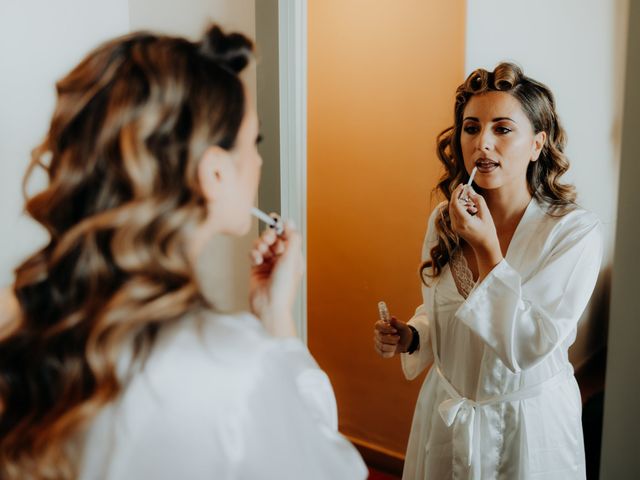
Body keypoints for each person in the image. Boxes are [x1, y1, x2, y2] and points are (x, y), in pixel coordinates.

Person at [0, 25, 367, 480]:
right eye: (254, 143)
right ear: (214, 172)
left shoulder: (17, 318)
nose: (257, 162)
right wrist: (278, 322)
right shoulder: (236, 369)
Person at [374, 63, 602, 479]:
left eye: (502, 129)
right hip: (447, 414)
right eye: (471, 127)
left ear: (537, 143)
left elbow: (529, 344)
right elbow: (447, 308)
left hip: (527, 427)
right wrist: (414, 335)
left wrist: (487, 249)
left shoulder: (574, 233)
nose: (483, 143)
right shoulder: (446, 219)